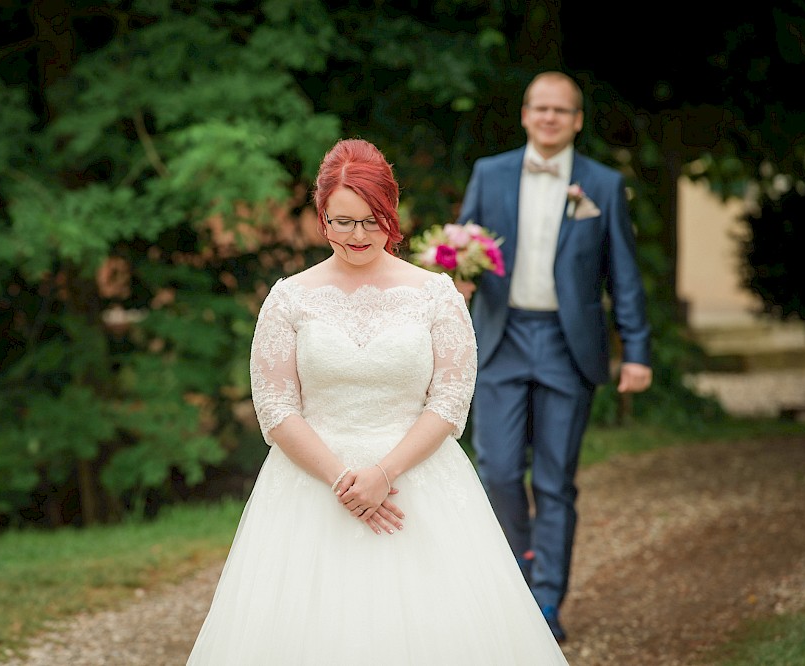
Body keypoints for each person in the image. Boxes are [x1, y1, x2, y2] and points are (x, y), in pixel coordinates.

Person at [187, 138, 568, 664]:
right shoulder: (288, 299)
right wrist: (344, 482)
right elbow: (276, 408)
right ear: (322, 219)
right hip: (310, 485)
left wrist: (384, 474)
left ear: (392, 215)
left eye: (372, 220)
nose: (358, 235)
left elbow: (451, 402)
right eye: (343, 222)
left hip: (417, 478)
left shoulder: (436, 295)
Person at [456, 71, 653, 643]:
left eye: (560, 110)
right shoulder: (489, 174)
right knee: (495, 470)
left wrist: (635, 351)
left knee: (555, 480)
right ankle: (512, 586)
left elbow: (625, 275)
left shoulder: (604, 185)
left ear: (577, 120)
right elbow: (460, 251)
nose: (548, 118)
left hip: (570, 347)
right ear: (524, 114)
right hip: (500, 338)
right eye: (539, 108)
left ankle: (546, 602)